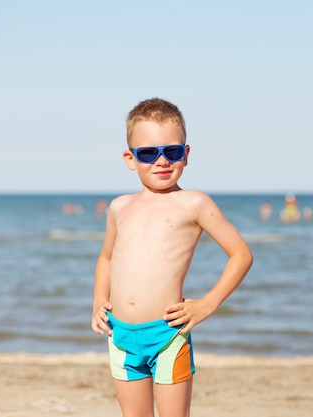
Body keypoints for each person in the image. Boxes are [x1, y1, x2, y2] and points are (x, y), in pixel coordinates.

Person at [90, 98, 253, 417]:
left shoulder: (193, 203)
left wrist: (207, 304)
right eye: (149, 153)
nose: (162, 161)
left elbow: (241, 254)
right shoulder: (119, 207)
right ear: (130, 158)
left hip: (168, 334)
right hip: (121, 335)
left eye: (173, 151)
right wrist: (98, 301)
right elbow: (107, 258)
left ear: (186, 155)